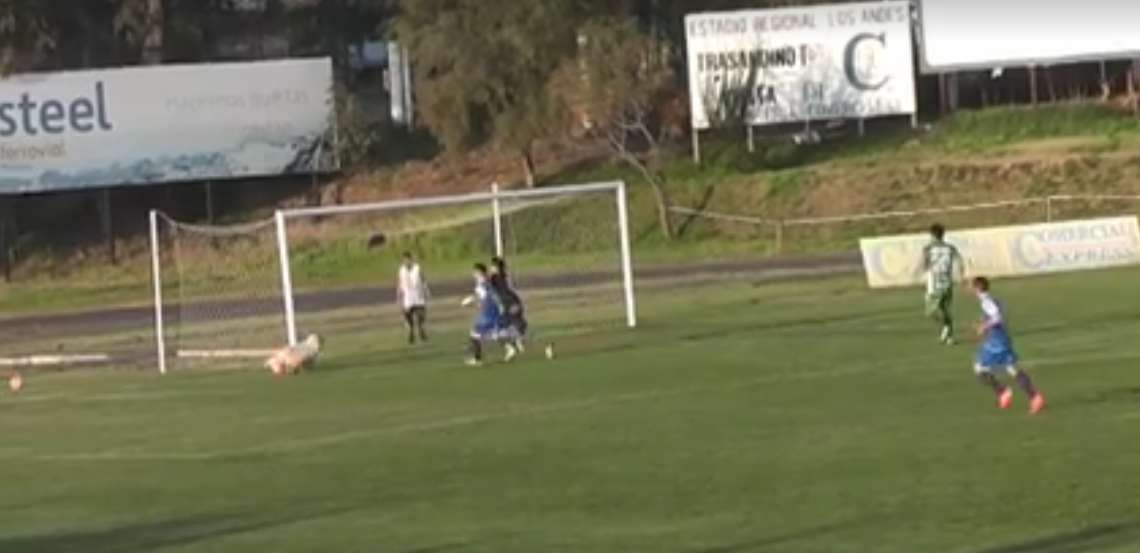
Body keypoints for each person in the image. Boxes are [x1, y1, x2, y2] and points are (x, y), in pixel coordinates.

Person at [970, 276, 1044, 414]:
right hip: (1003, 339)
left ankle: (1003, 392)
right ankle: (1034, 397)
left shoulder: (986, 302)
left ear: (978, 288)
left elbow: (997, 317)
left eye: (972, 287)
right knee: (1011, 368)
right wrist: (984, 325)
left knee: (979, 368)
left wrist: (984, 327)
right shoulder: (994, 300)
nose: (970, 290)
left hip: (995, 342)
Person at [921, 223, 964, 345]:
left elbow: (924, 265)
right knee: (945, 310)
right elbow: (960, 261)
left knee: (931, 312)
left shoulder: (927, 249)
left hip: (934, 284)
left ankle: (946, 328)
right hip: (947, 283)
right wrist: (961, 275)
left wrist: (927, 267)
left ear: (932, 235)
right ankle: (949, 336)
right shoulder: (950, 248)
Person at [461, 262, 511, 365]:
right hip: (490, 312)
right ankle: (510, 348)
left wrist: (469, 300)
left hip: (488, 313)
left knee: (474, 334)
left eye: (474, 272)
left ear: (479, 272)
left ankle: (477, 359)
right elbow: (488, 297)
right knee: (493, 334)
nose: (473, 274)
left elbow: (486, 296)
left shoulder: (482, 283)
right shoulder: (485, 282)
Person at [489, 256, 527, 351]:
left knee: (518, 324)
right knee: (501, 329)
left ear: (497, 267)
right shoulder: (497, 277)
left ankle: (517, 341)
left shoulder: (500, 277)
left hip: (512, 303)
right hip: (508, 304)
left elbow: (508, 290)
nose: (491, 268)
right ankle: (515, 342)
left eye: (492, 266)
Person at [396, 251, 429, 344]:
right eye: (404, 260)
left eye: (408, 260)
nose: (406, 262)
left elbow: (423, 279)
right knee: (408, 317)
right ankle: (411, 333)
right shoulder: (401, 270)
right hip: (408, 297)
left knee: (421, 316)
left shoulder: (417, 268)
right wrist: (398, 295)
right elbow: (399, 283)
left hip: (418, 295)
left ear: (411, 259)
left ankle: (421, 331)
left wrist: (426, 291)